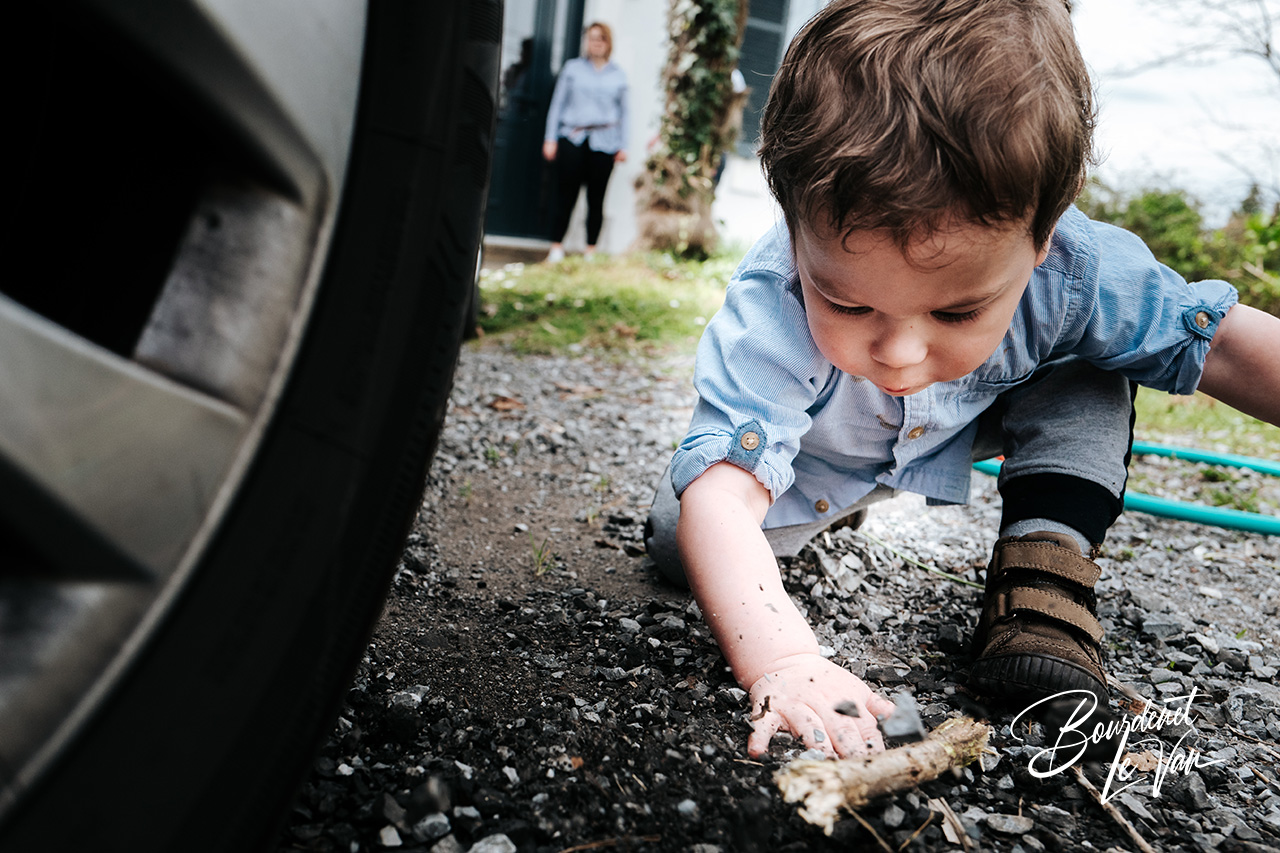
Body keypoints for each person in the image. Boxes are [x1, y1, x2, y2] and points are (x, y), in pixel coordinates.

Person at [643, 0, 1280, 761]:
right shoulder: (774, 298)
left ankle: (1042, 576)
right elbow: (718, 494)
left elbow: (1230, 347)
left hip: (972, 415)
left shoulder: (1080, 267)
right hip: (816, 454)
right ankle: (827, 507)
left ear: (1044, 234)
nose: (902, 351)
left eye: (957, 310)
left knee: (1091, 368)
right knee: (683, 541)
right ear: (792, 220)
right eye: (848, 301)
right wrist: (783, 659)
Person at [542, 22, 628, 262]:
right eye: (591, 39)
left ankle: (590, 251)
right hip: (572, 138)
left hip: (605, 143)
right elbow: (557, 105)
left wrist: (624, 145)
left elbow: (625, 114)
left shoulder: (618, 75)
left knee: (596, 198)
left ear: (608, 43)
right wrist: (550, 138)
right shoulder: (572, 69)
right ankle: (556, 247)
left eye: (600, 39)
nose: (596, 43)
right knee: (565, 195)